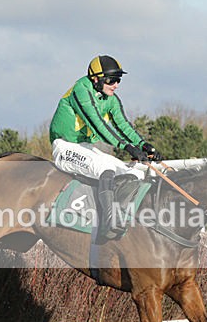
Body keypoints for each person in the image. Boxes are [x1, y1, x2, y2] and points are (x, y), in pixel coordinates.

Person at [50, 54, 163, 238]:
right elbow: (98, 125)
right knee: (105, 167)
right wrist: (127, 147)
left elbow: (123, 126)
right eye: (111, 80)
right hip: (64, 147)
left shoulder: (111, 98)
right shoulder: (81, 90)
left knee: (133, 172)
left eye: (118, 80)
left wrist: (143, 145)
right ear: (95, 79)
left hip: (85, 146)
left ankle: (126, 218)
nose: (116, 85)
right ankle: (107, 222)